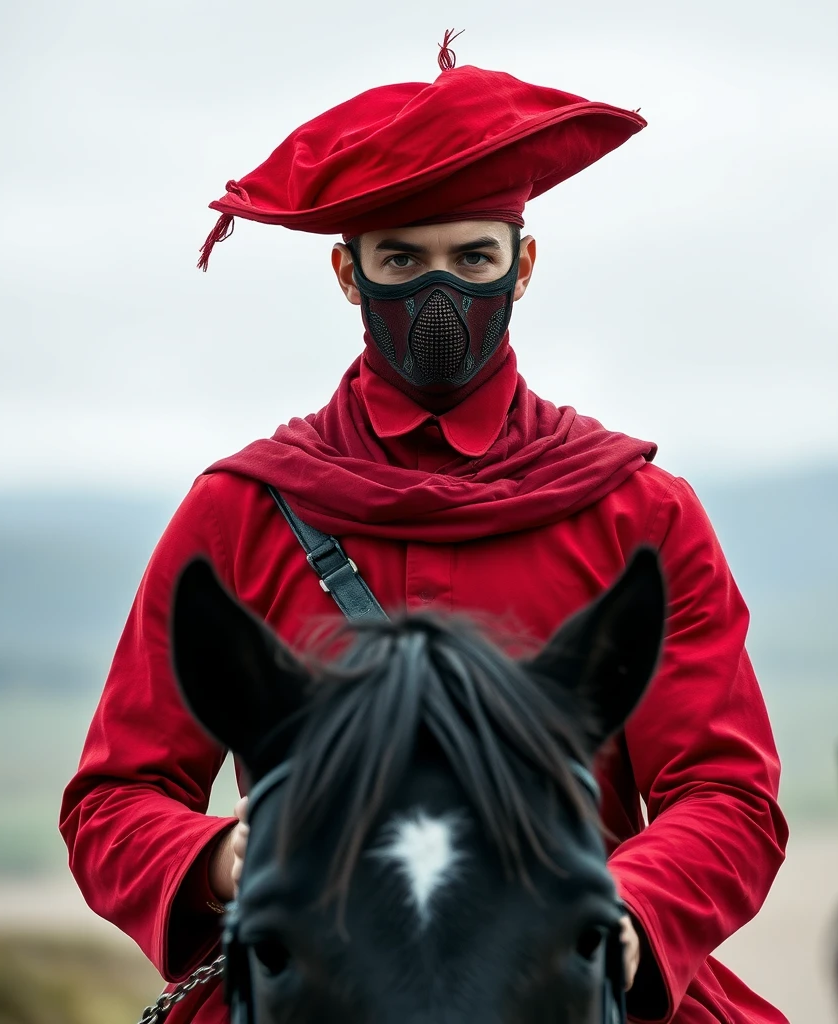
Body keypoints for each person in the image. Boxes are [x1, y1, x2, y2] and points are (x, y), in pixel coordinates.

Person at [60, 34, 788, 1024]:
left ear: (521, 265)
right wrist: (236, 857)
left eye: (471, 257)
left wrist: (624, 913)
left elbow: (725, 791)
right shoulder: (236, 512)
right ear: (347, 274)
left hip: (573, 970)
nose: (438, 291)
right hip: (316, 967)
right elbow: (114, 797)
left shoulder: (641, 513)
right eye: (402, 259)